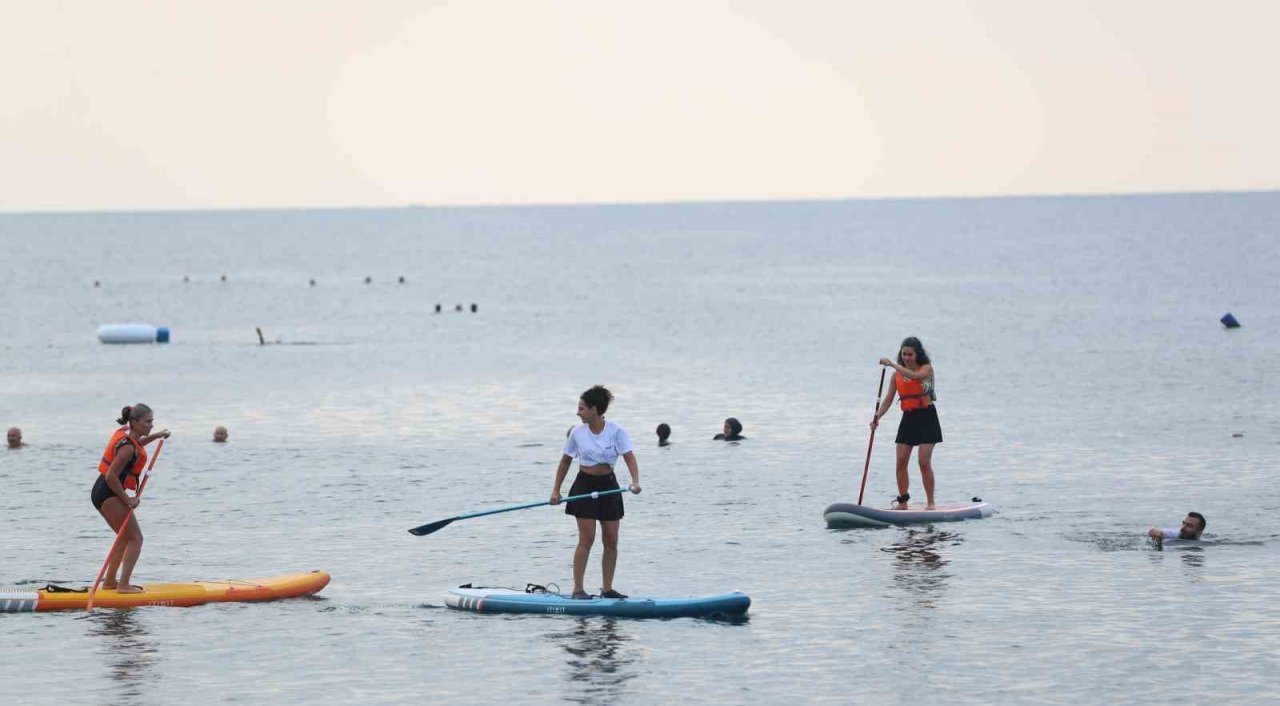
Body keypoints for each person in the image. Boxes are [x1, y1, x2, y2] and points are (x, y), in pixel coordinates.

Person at [551, 386, 641, 600]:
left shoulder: (616, 431)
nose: (578, 412)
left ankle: (607, 588)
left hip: (609, 485)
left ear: (595, 409)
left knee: (611, 539)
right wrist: (556, 490)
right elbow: (565, 461)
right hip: (584, 485)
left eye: (581, 408)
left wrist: (635, 482)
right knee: (587, 539)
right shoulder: (577, 433)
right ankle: (578, 590)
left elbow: (629, 457)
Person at [90, 404, 170, 593]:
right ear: (134, 422)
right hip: (108, 492)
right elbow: (111, 476)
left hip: (102, 491)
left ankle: (110, 582)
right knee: (136, 538)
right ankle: (124, 585)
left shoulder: (130, 439)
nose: (151, 425)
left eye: (152, 422)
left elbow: (137, 445)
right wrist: (127, 499)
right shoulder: (126, 448)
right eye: (148, 422)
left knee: (125, 538)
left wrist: (157, 436)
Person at [871, 337, 942, 510]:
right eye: (904, 354)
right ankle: (903, 502)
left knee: (923, 461)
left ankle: (931, 502)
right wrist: (876, 417)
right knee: (901, 462)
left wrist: (893, 364)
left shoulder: (926, 369)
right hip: (908, 419)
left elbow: (915, 376)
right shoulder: (896, 376)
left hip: (927, 417)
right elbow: (888, 399)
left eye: (910, 354)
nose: (907, 357)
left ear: (917, 355)